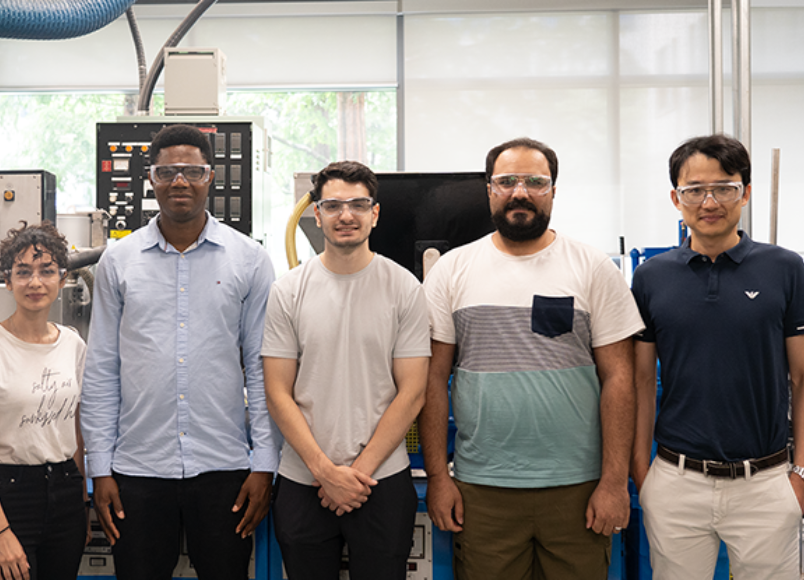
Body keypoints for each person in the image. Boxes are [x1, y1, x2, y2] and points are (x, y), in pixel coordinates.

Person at [419, 137, 644, 579]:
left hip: (577, 490)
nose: (519, 192)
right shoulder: (452, 270)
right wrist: (438, 479)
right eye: (506, 181)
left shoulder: (593, 268)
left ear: (553, 191)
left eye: (535, 182)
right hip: (483, 491)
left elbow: (621, 378)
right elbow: (432, 380)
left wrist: (615, 481)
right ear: (490, 190)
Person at [81, 123, 281, 580]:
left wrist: (264, 463)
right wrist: (101, 468)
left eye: (192, 171)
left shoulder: (248, 259)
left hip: (225, 466)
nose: (180, 181)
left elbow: (261, 368)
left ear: (211, 176)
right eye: (167, 172)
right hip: (137, 468)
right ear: (150, 179)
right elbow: (102, 370)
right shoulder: (119, 259)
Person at [630, 134, 804, 579]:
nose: (710, 201)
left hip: (765, 483)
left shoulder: (786, 269)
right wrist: (642, 476)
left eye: (725, 187)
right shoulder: (651, 279)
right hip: (676, 482)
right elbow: (640, 382)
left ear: (745, 192)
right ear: (676, 198)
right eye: (694, 190)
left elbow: (803, 379)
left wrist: (800, 475)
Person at [262, 161, 430, 579]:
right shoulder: (288, 291)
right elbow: (277, 392)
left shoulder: (403, 287)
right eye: (333, 205)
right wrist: (324, 471)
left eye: (358, 205)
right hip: (304, 480)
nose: (346, 216)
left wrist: (356, 474)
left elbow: (413, 391)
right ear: (316, 215)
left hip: (381, 480)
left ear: (375, 213)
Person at [0, 222, 88, 580]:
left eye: (47, 272)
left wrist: (79, 502)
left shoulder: (73, 344)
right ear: (7, 280)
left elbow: (74, 428)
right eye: (23, 272)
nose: (35, 282)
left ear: (62, 280)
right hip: (8, 494)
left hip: (64, 492)